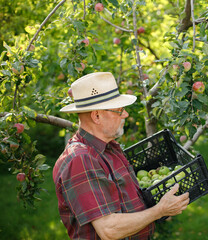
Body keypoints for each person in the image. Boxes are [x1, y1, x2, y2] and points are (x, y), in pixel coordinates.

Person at [53, 72, 190, 240]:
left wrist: (161, 207)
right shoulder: (80, 160)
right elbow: (109, 230)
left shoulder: (110, 148)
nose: (126, 114)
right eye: (119, 110)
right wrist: (159, 210)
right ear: (97, 116)